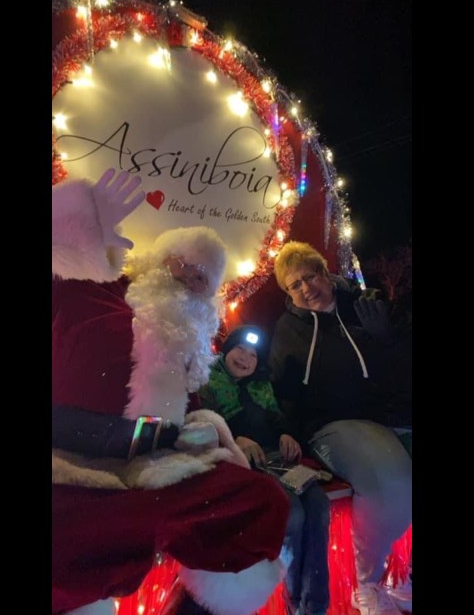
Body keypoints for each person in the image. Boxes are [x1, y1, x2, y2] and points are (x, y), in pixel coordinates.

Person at [52, 168, 291, 615]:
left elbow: (193, 407)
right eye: (181, 263)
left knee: (262, 506)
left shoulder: (188, 340)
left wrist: (214, 434)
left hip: (157, 464)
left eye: (202, 277)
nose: (188, 278)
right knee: (72, 560)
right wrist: (71, 223)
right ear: (156, 260)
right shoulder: (91, 288)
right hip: (71, 458)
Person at [268, 241, 412, 615]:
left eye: (310, 276)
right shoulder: (290, 329)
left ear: (325, 271)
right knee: (390, 483)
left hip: (393, 415)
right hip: (334, 426)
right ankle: (369, 584)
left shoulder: (365, 306)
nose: (306, 289)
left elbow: (403, 370)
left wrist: (387, 338)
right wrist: (290, 433)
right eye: (294, 285)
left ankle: (402, 575)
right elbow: (281, 391)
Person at [199, 324, 331, 615]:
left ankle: (316, 605)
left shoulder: (261, 384)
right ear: (227, 349)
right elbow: (203, 422)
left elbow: (276, 417)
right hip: (244, 462)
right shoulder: (207, 380)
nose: (246, 358)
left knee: (319, 507)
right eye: (240, 350)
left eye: (254, 355)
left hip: (276, 457)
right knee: (292, 512)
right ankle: (296, 600)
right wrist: (235, 439)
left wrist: (286, 434)